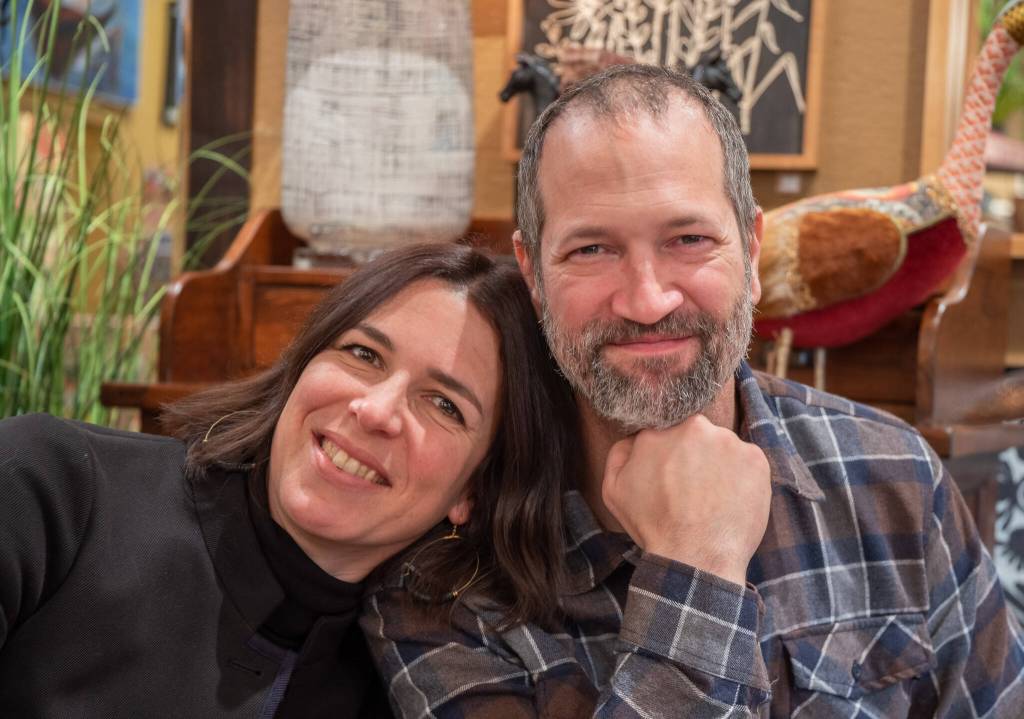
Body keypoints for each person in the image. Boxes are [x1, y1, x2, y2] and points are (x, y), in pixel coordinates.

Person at [365, 65, 1024, 717]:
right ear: (535, 274)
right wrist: (695, 564)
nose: (648, 301)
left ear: (752, 250)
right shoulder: (445, 582)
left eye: (689, 239)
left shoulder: (897, 483)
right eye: (592, 249)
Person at [0, 243, 575, 718]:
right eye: (363, 354)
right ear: (303, 365)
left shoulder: (425, 682)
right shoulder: (51, 484)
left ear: (472, 492)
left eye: (445, 405)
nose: (375, 410)